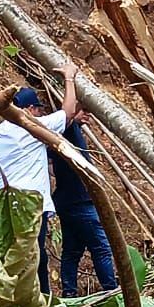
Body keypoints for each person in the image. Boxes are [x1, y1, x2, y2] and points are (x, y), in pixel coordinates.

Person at [0, 63, 80, 294]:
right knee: (36, 255)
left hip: (4, 206)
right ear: (30, 109)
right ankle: (42, 299)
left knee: (10, 255)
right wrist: (70, 77)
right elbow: (69, 111)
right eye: (37, 110)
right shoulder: (32, 127)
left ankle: (9, 298)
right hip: (32, 204)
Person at [47, 113, 118, 297]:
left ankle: (69, 294)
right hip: (78, 201)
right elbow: (69, 110)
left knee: (72, 250)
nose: (87, 115)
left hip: (67, 200)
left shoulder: (62, 133)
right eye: (82, 110)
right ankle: (111, 290)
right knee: (100, 247)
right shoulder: (67, 129)